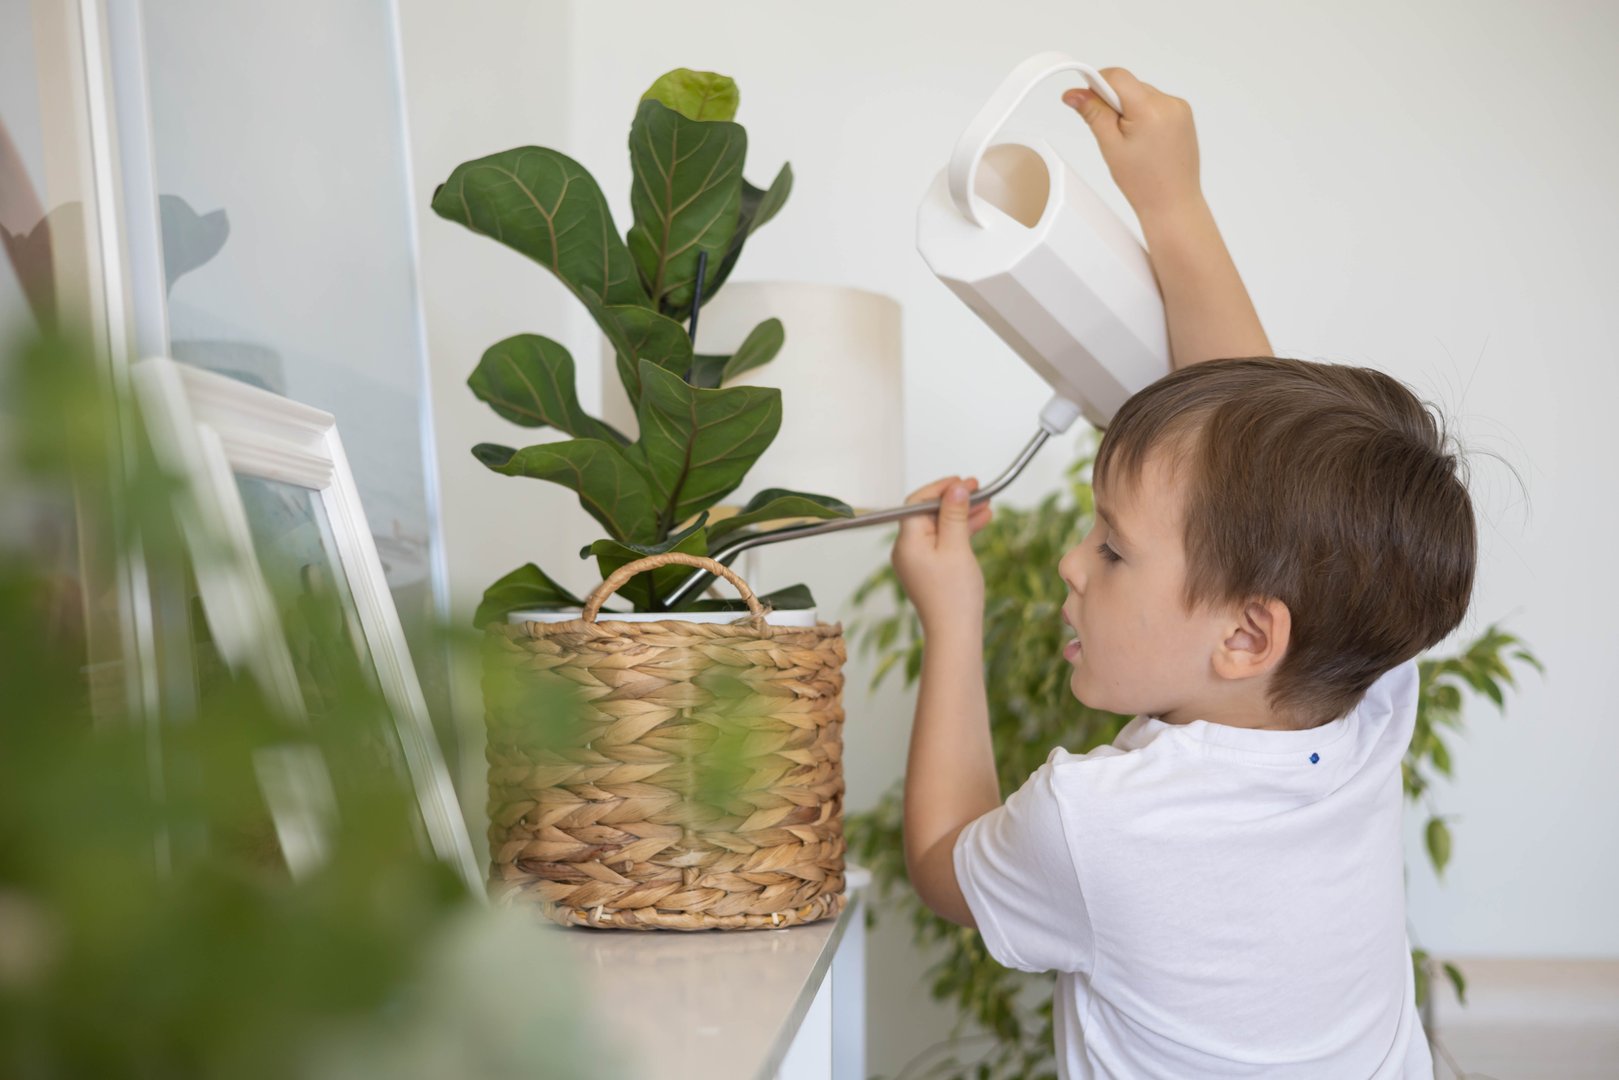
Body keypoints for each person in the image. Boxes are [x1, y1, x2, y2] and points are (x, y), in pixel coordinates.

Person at [890, 66, 1474, 1077]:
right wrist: (1171, 202)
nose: (1073, 564)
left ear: (1248, 635)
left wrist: (952, 616)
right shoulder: (1365, 689)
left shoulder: (1100, 824)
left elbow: (944, 858)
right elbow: (1256, 451)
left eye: (1111, 549)